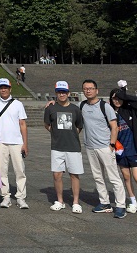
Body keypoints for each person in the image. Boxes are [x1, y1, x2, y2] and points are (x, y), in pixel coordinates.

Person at [80, 80, 126, 219]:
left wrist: (111, 144)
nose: (88, 91)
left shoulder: (105, 106)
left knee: (113, 177)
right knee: (98, 176)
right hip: (90, 147)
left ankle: (120, 205)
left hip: (105, 146)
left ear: (96, 90)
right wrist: (52, 103)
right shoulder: (82, 105)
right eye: (85, 89)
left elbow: (114, 126)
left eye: (91, 88)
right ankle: (104, 202)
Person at [110, 86, 137, 216]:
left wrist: (123, 94)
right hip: (120, 150)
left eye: (119, 98)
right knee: (126, 177)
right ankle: (133, 202)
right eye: (114, 98)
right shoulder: (111, 113)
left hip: (134, 149)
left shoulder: (131, 111)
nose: (117, 101)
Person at [43, 81, 84, 213]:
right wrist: (56, 134)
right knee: (57, 175)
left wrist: (70, 135)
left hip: (73, 146)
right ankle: (60, 200)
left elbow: (79, 126)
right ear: (56, 93)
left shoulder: (75, 109)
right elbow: (47, 124)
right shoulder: (50, 108)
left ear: (68, 93)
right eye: (59, 92)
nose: (62, 94)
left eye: (64, 92)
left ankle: (76, 202)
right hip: (57, 146)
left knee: (74, 174)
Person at [0, 78, 29, 209]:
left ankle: (21, 197)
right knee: (1, 171)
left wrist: (25, 143)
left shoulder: (18, 104)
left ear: (10, 89)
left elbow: (22, 124)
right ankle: (5, 196)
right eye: (1, 87)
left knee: (20, 170)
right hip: (0, 142)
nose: (3, 89)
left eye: (5, 87)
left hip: (17, 141)